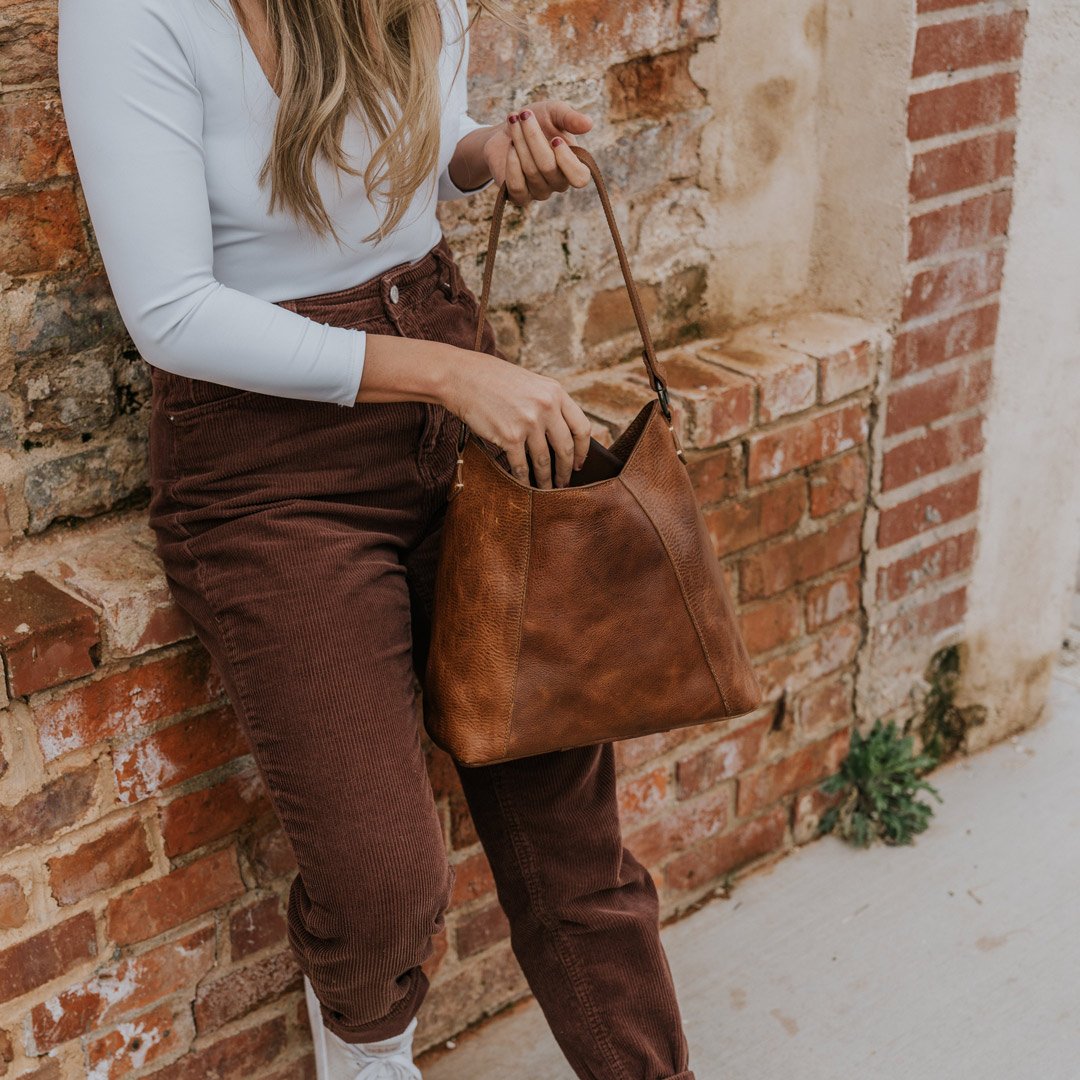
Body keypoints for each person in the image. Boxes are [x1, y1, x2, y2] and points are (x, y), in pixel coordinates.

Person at [56, 1, 698, 1077]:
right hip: (270, 468)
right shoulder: (134, 12)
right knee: (384, 880)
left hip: (448, 384)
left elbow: (410, 165)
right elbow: (170, 311)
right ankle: (368, 1059)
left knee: (573, 844)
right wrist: (454, 375)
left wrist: (486, 152)